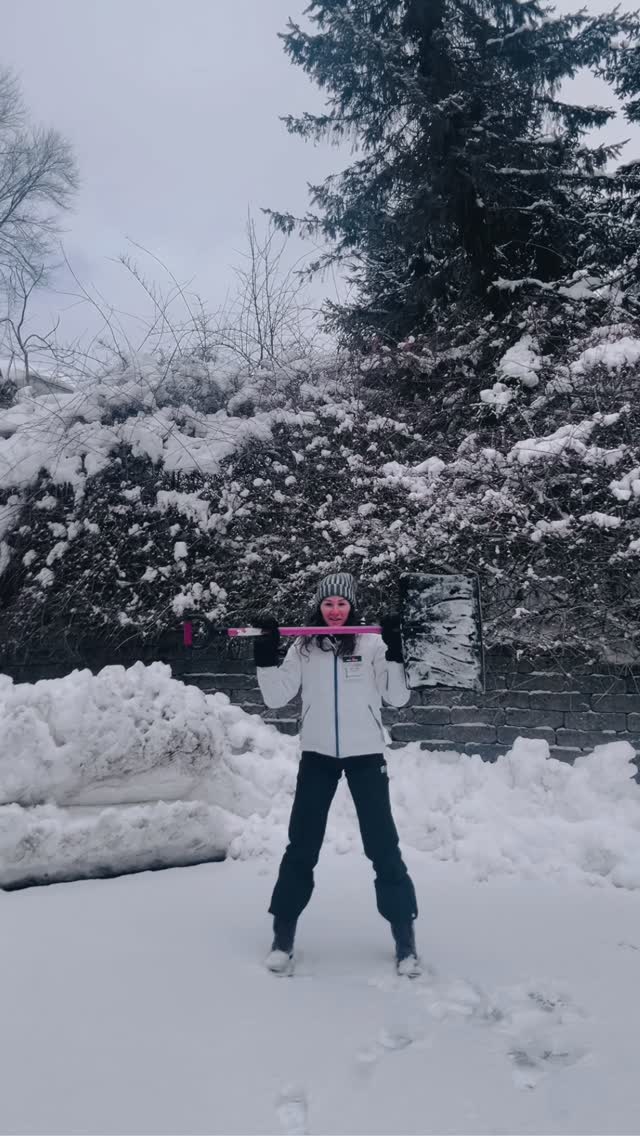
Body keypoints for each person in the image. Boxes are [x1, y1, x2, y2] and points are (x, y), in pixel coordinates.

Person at [254, 571, 420, 977]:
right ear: (319, 606)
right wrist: (265, 654)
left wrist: (398, 650)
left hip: (366, 756)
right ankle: (283, 937)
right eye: (328, 604)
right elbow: (276, 697)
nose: (334, 611)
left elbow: (397, 697)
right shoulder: (304, 647)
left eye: (341, 604)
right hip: (318, 756)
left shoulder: (372, 643)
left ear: (352, 606)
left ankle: (405, 942)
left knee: (383, 846)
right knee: (301, 846)